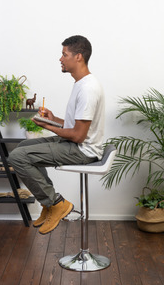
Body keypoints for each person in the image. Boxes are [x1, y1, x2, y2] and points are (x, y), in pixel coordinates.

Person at [8, 35, 105, 234]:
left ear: (78, 57)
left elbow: (78, 136)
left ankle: (56, 203)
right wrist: (52, 119)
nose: (60, 59)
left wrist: (49, 127)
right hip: (77, 143)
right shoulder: (81, 84)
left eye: (64, 54)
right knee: (22, 148)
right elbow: (76, 125)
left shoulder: (88, 89)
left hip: (83, 150)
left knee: (17, 157)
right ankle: (49, 205)